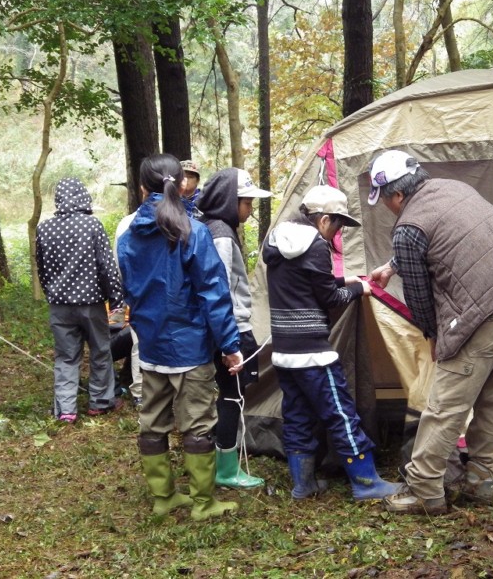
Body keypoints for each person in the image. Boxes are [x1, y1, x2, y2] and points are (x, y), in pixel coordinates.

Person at [367, 150, 493, 516]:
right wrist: (392, 266)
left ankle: (424, 491)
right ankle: (481, 482)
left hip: (484, 314)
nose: (386, 207)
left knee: (444, 406)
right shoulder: (453, 189)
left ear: (396, 195)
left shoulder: (407, 227)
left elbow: (419, 297)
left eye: (384, 199)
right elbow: (446, 239)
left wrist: (435, 337)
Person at [117, 153, 244, 521]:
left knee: (152, 422)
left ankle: (163, 497)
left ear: (142, 188)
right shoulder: (194, 231)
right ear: (182, 183)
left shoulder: (129, 234)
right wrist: (230, 346)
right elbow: (213, 294)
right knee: (198, 424)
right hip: (190, 348)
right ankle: (203, 502)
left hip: (150, 346)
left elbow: (130, 290)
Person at [262, 184, 401, 501]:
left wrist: (345, 280)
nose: (337, 234)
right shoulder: (316, 245)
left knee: (297, 416)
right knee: (341, 414)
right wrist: (359, 289)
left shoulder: (278, 239)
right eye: (337, 226)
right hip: (313, 353)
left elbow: (304, 283)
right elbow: (329, 298)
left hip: (284, 351)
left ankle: (303, 485)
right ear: (324, 219)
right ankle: (366, 483)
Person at [195, 167, 272, 489]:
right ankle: (226, 469)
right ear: (230, 201)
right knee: (232, 396)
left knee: (229, 394)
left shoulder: (208, 227)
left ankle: (217, 459)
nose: (250, 210)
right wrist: (230, 344)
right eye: (247, 203)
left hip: (221, 327)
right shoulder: (222, 235)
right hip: (231, 327)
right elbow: (220, 289)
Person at [36, 177, 125, 423]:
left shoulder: (44, 228)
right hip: (91, 304)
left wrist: (51, 293)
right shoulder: (92, 225)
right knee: (100, 351)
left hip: (59, 306)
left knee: (66, 356)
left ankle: (66, 409)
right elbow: (106, 267)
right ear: (83, 197)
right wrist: (116, 299)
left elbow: (41, 268)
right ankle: (101, 402)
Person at [113, 211, 143, 409]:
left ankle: (141, 392)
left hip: (136, 294)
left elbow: (117, 265)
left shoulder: (126, 222)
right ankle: (140, 392)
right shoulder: (181, 218)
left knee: (139, 343)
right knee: (140, 343)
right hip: (144, 296)